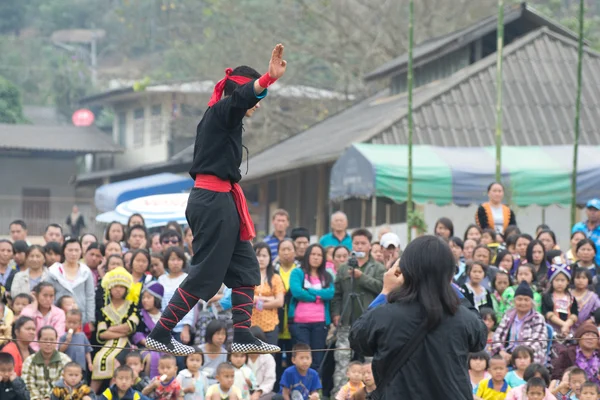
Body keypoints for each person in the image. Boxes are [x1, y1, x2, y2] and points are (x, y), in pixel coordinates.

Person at [147, 44, 287, 356]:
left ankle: (242, 334)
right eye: (256, 98)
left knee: (246, 270)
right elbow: (241, 99)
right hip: (212, 200)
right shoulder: (222, 112)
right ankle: (160, 332)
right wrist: (268, 79)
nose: (258, 104)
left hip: (222, 201)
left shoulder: (227, 119)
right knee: (207, 276)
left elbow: (243, 100)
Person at [350, 235, 487, 398]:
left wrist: (385, 292)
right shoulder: (462, 316)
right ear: (450, 273)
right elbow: (479, 337)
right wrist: (443, 281)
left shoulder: (385, 314)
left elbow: (358, 338)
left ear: (405, 271)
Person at [331, 229, 384, 394]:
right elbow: (337, 294)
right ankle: (339, 393)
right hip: (346, 321)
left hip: (370, 322)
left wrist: (362, 277)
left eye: (363, 243)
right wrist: (336, 313)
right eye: (356, 243)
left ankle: (373, 393)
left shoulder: (378, 268)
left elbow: (383, 289)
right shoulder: (343, 268)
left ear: (369, 245)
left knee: (370, 361)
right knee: (341, 360)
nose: (359, 246)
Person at [91, 267, 140, 392]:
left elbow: (130, 327)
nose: (118, 290)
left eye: (121, 287)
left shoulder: (131, 305)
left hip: (126, 344)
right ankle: (92, 393)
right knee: (99, 358)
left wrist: (112, 329)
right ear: (110, 288)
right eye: (115, 286)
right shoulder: (104, 308)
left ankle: (113, 393)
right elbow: (101, 334)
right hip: (108, 344)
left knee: (113, 360)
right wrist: (121, 331)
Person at [289, 243, 334, 370]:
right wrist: (318, 297)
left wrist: (310, 291)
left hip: (320, 323)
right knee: (301, 358)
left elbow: (330, 293)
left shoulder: (327, 275)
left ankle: (315, 389)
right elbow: (297, 292)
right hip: (299, 323)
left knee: (317, 359)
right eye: (313, 254)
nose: (316, 257)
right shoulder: (297, 272)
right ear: (307, 256)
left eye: (319, 255)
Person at [492, 282, 548, 365]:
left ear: (532, 302)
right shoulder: (508, 315)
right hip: (507, 356)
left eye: (526, 300)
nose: (522, 303)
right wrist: (501, 351)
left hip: (528, 357)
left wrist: (516, 356)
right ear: (514, 301)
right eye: (519, 299)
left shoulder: (537, 318)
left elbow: (538, 341)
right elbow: (497, 335)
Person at [44, 238, 96, 328]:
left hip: (80, 318)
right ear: (64, 251)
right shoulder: (54, 271)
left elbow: (90, 296)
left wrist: (90, 320)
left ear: (81, 251)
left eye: (76, 250)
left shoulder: (86, 272)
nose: (73, 253)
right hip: (58, 317)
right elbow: (46, 293)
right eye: (70, 250)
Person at [22, 326, 72, 400]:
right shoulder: (29, 361)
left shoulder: (65, 360)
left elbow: (65, 384)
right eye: (45, 340)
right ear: (38, 341)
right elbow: (28, 384)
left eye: (52, 340)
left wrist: (51, 398)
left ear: (56, 341)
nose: (48, 343)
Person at [58, 309, 93, 378]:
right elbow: (60, 350)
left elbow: (87, 351)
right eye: (69, 322)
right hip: (67, 367)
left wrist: (89, 363)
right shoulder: (63, 337)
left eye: (74, 323)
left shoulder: (82, 336)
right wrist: (67, 341)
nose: (71, 325)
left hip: (81, 367)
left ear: (80, 324)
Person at [247, 326, 277, 400]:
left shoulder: (268, 358)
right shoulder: (240, 356)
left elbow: (270, 381)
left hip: (262, 393)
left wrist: (258, 392)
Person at [572, 198, 600, 265]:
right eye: (590, 210)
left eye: (596, 210)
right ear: (586, 211)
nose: (592, 212)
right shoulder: (578, 227)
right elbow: (573, 246)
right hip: (580, 266)